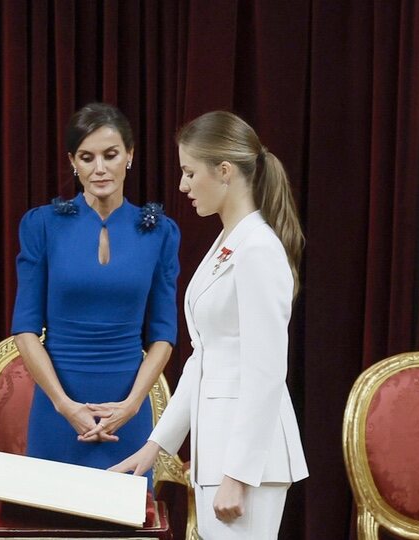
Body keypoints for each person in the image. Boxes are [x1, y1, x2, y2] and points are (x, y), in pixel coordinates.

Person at [109, 111, 309, 538]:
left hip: (247, 462)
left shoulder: (257, 249)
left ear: (224, 172)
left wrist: (237, 474)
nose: (182, 186)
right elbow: (206, 358)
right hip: (217, 451)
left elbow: (267, 370)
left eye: (188, 172)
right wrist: (156, 444)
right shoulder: (228, 243)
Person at [11, 103, 180, 484]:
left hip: (128, 417)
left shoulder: (160, 232)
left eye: (110, 155)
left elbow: (164, 334)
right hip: (58, 415)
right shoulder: (42, 225)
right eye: (87, 158)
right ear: (73, 162)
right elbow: (24, 329)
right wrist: (64, 405)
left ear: (130, 156)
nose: (99, 168)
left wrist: (133, 404)